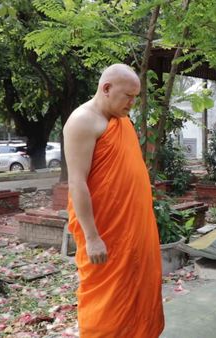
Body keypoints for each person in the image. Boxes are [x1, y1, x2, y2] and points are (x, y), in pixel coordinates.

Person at [64, 64, 164, 337]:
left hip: (134, 228)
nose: (133, 102)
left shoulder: (120, 120)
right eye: (128, 96)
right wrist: (92, 237)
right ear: (106, 88)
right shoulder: (83, 121)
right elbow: (77, 183)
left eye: (135, 97)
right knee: (106, 305)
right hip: (106, 232)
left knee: (140, 291)